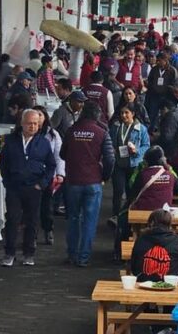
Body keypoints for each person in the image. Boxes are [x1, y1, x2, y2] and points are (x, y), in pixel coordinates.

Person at [60, 102, 115, 266]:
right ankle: (83, 258)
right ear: (98, 115)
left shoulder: (71, 131)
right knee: (90, 221)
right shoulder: (102, 132)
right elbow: (110, 159)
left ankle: (72, 254)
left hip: (73, 181)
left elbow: (63, 154)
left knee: (73, 218)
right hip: (93, 182)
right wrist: (104, 176)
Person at [0, 109, 56, 267]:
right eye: (29, 123)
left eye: (36, 124)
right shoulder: (11, 140)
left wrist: (42, 184)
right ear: (22, 124)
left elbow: (51, 165)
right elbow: (3, 162)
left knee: (32, 221)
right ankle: (9, 253)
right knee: (12, 219)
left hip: (34, 187)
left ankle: (28, 253)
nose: (32, 127)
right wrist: (7, 181)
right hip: (14, 187)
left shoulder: (43, 142)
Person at [109, 103, 150, 217]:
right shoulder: (116, 127)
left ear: (133, 114)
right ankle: (115, 215)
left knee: (131, 191)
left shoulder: (141, 128)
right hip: (118, 163)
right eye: (122, 113)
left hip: (134, 164)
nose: (124, 115)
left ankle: (129, 215)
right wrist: (111, 149)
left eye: (126, 113)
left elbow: (146, 145)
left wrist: (137, 151)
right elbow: (109, 141)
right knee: (118, 190)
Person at [33, 106, 65, 245]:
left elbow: (59, 156)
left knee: (47, 207)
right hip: (30, 175)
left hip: (47, 175)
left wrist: (60, 174)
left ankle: (48, 230)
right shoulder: (27, 133)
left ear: (45, 117)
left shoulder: (53, 135)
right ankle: (32, 235)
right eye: (34, 115)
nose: (37, 118)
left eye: (40, 115)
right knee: (31, 208)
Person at [131, 209, 178, 282]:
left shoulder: (141, 239)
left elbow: (133, 267)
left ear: (151, 223)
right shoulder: (177, 240)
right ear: (169, 223)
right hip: (172, 284)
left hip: (144, 283)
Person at [130, 146, 178, 211]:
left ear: (147, 161)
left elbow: (133, 193)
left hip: (144, 210)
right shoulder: (170, 174)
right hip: (163, 213)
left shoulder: (142, 174)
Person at [145, 51, 178, 131]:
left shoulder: (172, 71)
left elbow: (175, 83)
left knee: (167, 115)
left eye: (160, 60)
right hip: (155, 96)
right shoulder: (154, 69)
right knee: (152, 114)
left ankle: (166, 131)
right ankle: (150, 131)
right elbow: (150, 80)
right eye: (157, 60)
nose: (158, 62)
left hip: (167, 96)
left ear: (165, 60)